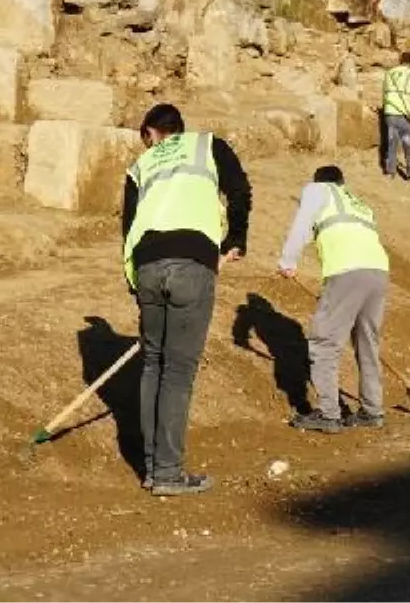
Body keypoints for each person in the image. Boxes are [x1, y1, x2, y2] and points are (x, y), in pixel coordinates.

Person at [121, 103, 252, 496]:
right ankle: (167, 473)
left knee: (153, 367)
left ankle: (152, 468)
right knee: (177, 372)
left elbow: (126, 227)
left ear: (151, 133)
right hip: (191, 261)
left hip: (146, 264)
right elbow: (240, 191)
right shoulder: (208, 146)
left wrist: (134, 282)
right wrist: (235, 240)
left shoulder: (140, 166)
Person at [278, 165, 390, 434]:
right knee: (367, 342)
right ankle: (372, 410)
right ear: (343, 182)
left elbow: (303, 223)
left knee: (324, 342)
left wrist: (288, 260)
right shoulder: (359, 204)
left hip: (346, 271)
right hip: (378, 271)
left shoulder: (317, 189)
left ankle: (329, 414)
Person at [381, 51, 410, 182]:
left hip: (389, 111)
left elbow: (384, 92)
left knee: (391, 142)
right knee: (408, 144)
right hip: (403, 114)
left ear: (400, 60)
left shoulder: (389, 73)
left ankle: (390, 171)